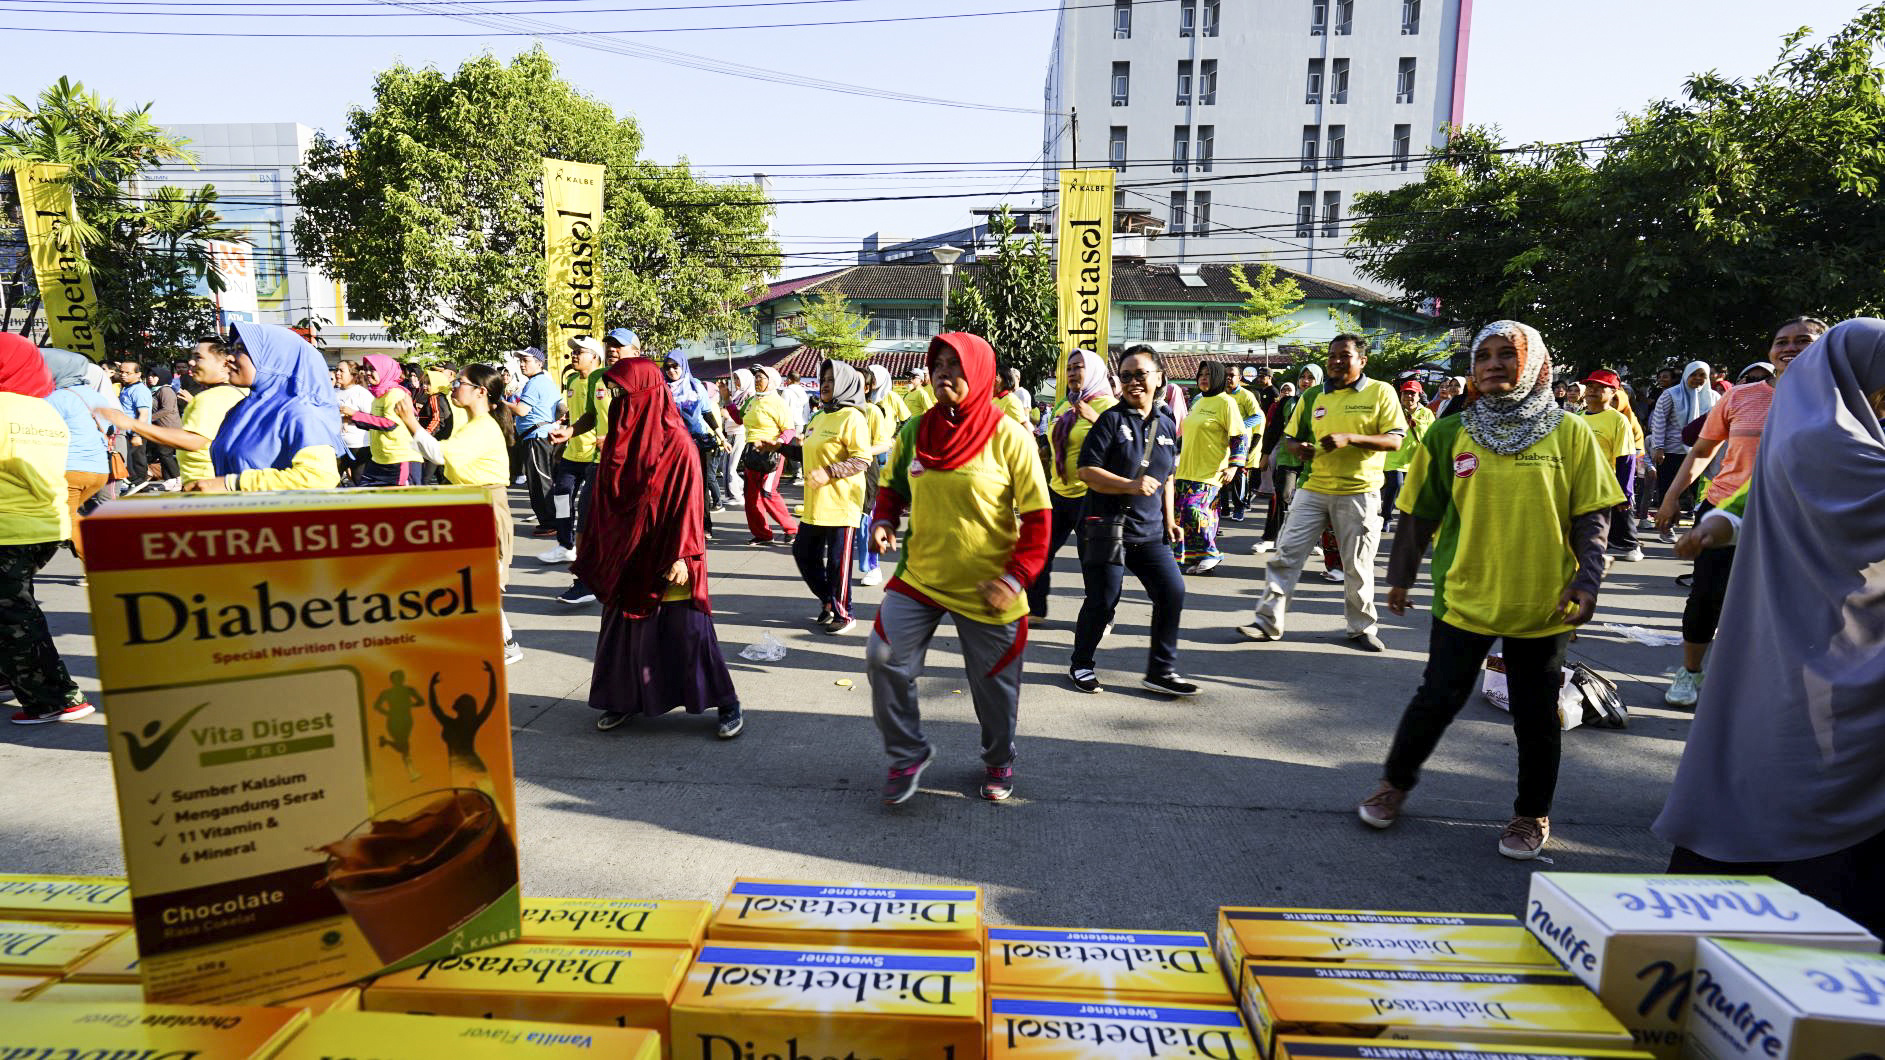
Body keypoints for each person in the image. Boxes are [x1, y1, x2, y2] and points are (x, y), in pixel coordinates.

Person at [1654, 318, 1885, 936]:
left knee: (1770, 742)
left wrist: (1720, 525)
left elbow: (1765, 493)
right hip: (1840, 630)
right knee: (1824, 758)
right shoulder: (1840, 445)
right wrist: (1719, 522)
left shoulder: (1802, 424)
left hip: (1797, 623)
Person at [1358, 320, 1622, 860]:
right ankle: (1395, 784)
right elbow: (1418, 511)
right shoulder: (1448, 432)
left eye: (1508, 355)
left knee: (1536, 712)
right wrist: (1401, 575)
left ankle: (1531, 814)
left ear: (1534, 365)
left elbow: (1592, 516)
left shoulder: (1572, 432)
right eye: (1485, 355)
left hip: (1544, 601)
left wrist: (1587, 579)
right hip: (1465, 594)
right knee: (1436, 698)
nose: (1495, 364)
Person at [868, 332, 1050, 805]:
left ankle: (997, 757)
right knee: (882, 657)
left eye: (956, 364)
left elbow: (1038, 517)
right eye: (938, 363)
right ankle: (907, 753)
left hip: (991, 586)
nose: (944, 372)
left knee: (995, 694)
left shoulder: (1010, 435)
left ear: (981, 372)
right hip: (921, 578)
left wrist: (1015, 578)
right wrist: (885, 519)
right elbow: (891, 487)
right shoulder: (915, 431)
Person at [1653, 316, 1827, 707]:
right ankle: (1690, 673)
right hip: (1725, 510)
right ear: (1770, 351)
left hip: (1797, 521)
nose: (1790, 349)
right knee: (1706, 597)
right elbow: (1702, 451)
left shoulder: (1838, 401)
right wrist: (1671, 497)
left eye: (1803, 341)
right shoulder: (1740, 397)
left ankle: (1764, 683)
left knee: (1778, 605)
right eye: (1781, 342)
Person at [574, 358, 744, 739]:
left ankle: (726, 701)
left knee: (688, 631)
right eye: (615, 394)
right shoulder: (620, 440)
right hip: (627, 552)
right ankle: (621, 699)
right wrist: (593, 544)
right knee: (623, 631)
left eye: (625, 394)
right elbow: (605, 498)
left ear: (648, 396)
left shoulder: (678, 443)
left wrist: (683, 554)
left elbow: (689, 503)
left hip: (671, 550)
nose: (619, 402)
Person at [1240, 335, 1405, 653]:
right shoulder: (1313, 394)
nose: (1336, 360)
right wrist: (1298, 448)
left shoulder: (1380, 391)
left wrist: (1351, 439)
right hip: (1313, 489)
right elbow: (1290, 438)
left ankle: (1361, 628)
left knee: (1357, 564)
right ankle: (1267, 623)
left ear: (1362, 360)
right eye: (1332, 355)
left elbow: (1395, 440)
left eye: (1344, 355)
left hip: (1360, 491)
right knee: (1285, 555)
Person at [1067, 348, 1192, 697]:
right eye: (1125, 376)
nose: (1133, 382)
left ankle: (1161, 670)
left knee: (1172, 592)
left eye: (1140, 374)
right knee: (1103, 600)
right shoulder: (1110, 420)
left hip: (1151, 531)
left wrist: (1170, 519)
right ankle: (1081, 663)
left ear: (1158, 378)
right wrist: (1129, 485)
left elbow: (1167, 476)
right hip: (1106, 526)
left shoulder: (1167, 424)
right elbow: (1087, 472)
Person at [406, 363, 525, 666]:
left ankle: (504, 643)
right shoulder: (473, 422)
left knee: (482, 581)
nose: (454, 386)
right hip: (473, 505)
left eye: (460, 382)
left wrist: (411, 422)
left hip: (485, 506)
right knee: (475, 581)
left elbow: (438, 453)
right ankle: (502, 640)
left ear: (481, 392)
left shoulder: (483, 426)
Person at [0, 335, 92, 725]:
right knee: (16, 608)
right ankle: (12, 677)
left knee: (15, 617)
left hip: (7, 526)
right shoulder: (46, 410)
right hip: (45, 524)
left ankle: (56, 698)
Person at [186, 322, 344, 492]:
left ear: (274, 359)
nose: (230, 357)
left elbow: (319, 477)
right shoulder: (240, 409)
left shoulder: (302, 413)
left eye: (241, 349)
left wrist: (232, 483)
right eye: (233, 349)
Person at [94, 336, 247, 494]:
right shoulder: (238, 391)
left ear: (224, 363)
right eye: (192, 357)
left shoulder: (209, 398)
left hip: (204, 485)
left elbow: (194, 441)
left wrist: (132, 424)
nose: (191, 363)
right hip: (218, 482)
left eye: (199, 357)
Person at [1030, 348, 1116, 620]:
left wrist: (1095, 419)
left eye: (1079, 367)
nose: (1072, 372)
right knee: (1040, 551)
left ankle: (1102, 615)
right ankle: (1036, 609)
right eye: (1069, 368)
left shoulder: (1109, 407)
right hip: (1057, 492)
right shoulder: (1064, 405)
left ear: (1093, 371)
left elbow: (1122, 448)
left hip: (1089, 496)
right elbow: (1051, 439)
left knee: (1092, 563)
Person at [794, 360, 875, 634]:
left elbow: (862, 459)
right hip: (816, 502)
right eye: (823, 379)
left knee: (838, 562)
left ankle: (845, 613)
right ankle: (828, 600)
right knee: (803, 552)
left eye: (831, 380)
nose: (825, 384)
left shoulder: (852, 417)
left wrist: (829, 472)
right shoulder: (819, 417)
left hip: (843, 501)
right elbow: (807, 453)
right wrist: (778, 447)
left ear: (845, 384)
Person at [1173, 361, 1250, 575]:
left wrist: (1234, 466)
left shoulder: (1226, 402)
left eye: (1208, 374)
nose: (1203, 378)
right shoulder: (1198, 402)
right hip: (1186, 469)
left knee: (1194, 510)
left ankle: (1210, 553)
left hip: (1211, 471)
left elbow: (1239, 437)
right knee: (1182, 516)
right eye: (1201, 374)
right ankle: (1193, 558)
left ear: (1218, 377)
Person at [37, 347, 112, 561]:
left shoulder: (56, 398)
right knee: (70, 515)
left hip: (71, 469)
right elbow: (109, 426)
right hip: (98, 470)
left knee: (65, 517)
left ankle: (98, 564)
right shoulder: (95, 396)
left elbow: (43, 430)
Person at [541, 337, 605, 569]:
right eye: (573, 352)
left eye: (580, 351)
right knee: (561, 498)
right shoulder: (571, 380)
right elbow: (577, 415)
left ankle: (591, 555)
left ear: (595, 357)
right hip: (571, 453)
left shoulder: (604, 383)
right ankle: (565, 546)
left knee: (589, 508)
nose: (574, 355)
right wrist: (563, 429)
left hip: (594, 455)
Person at [1647, 360, 1716, 541]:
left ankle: (1696, 527)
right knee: (1668, 489)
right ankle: (1665, 527)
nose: (1697, 379)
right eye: (1694, 374)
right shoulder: (1670, 394)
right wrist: (1658, 447)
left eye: (1702, 375)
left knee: (1694, 493)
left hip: (1700, 453)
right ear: (1686, 375)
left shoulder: (1714, 397)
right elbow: (1659, 421)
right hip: (1671, 451)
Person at [1578, 369, 1642, 562]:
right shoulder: (1578, 418)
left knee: (1616, 519)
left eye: (1600, 387)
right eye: (1590, 386)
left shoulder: (1618, 420)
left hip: (1606, 482)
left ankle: (1629, 546)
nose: (1592, 391)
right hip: (1581, 481)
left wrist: (1625, 492)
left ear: (1613, 392)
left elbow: (1626, 458)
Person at [1256, 364, 1321, 553]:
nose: (1306, 381)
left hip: (1314, 459)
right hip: (1288, 457)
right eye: (1303, 377)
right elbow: (1274, 429)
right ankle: (1270, 538)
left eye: (1311, 377)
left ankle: (1314, 542)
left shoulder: (1325, 401)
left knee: (1312, 501)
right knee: (1281, 495)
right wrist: (1265, 455)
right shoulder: (1287, 402)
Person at [661, 348, 726, 519]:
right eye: (667, 367)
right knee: (673, 486)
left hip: (696, 442)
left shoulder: (695, 385)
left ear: (683, 365)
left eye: (675, 366)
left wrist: (722, 438)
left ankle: (704, 524)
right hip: (670, 444)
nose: (671, 370)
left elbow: (706, 413)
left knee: (699, 485)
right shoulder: (662, 388)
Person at [738, 366, 799, 545]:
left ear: (771, 381)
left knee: (767, 492)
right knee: (751, 495)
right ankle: (762, 534)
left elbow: (789, 430)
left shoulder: (778, 403)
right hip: (752, 451)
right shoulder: (751, 400)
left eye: (761, 378)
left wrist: (777, 444)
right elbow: (739, 419)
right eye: (755, 377)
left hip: (772, 452)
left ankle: (791, 529)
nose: (757, 381)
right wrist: (727, 400)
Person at [344, 353, 421, 486]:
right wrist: (354, 419)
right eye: (366, 369)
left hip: (400, 460)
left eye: (372, 369)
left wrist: (356, 415)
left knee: (401, 505)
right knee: (368, 501)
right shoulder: (379, 395)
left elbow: (390, 423)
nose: (368, 373)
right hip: (379, 460)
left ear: (384, 370)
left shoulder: (396, 393)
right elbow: (376, 422)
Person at [854, 365, 900, 588]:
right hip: (841, 474)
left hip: (866, 471)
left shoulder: (872, 411)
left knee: (865, 521)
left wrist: (859, 454)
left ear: (868, 388)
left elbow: (882, 444)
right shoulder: (838, 411)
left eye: (860, 382)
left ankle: (873, 567)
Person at [507, 348, 560, 535]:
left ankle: (551, 523)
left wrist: (500, 402)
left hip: (537, 438)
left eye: (526, 360)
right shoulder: (542, 382)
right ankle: (555, 520)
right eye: (520, 360)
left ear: (539, 363)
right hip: (541, 436)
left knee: (541, 482)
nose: (522, 364)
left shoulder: (536, 383)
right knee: (546, 481)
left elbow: (521, 410)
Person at [1380, 379, 1435, 527]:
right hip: (1394, 458)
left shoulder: (1427, 413)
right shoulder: (1393, 410)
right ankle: (1386, 517)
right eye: (1405, 393)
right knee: (1395, 485)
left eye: (1412, 394)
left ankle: (1410, 521)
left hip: (1415, 460)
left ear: (1419, 395)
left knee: (1413, 491)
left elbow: (1431, 435)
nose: (1408, 397)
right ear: (1400, 394)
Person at [1221, 367, 1266, 523]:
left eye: (1232, 375)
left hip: (1240, 442)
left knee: (1239, 476)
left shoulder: (1246, 395)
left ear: (1239, 377)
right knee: (1221, 474)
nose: (1228, 378)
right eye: (1226, 375)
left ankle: (1239, 509)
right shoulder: (1220, 394)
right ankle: (1224, 509)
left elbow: (1258, 417)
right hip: (1221, 441)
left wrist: (1238, 427)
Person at [114, 359, 155, 494]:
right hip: (127, 431)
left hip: (136, 432)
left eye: (128, 373)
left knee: (137, 462)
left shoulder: (139, 390)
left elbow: (143, 414)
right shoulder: (127, 387)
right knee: (130, 461)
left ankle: (141, 486)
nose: (123, 375)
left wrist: (137, 434)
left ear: (138, 374)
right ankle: (138, 485)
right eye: (122, 372)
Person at [332, 359, 374, 485]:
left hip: (358, 446)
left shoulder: (361, 393)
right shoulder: (333, 392)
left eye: (341, 370)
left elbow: (372, 419)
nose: (337, 373)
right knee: (331, 480)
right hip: (337, 445)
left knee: (360, 482)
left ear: (353, 374)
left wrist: (351, 414)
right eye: (336, 370)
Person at [143, 365, 183, 491]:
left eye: (154, 376)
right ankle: (169, 479)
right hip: (161, 427)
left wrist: (149, 418)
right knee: (163, 454)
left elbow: (167, 409)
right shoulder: (154, 390)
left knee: (165, 453)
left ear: (162, 377)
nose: (150, 378)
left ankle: (178, 478)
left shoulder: (165, 390)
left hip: (170, 427)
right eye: (149, 375)